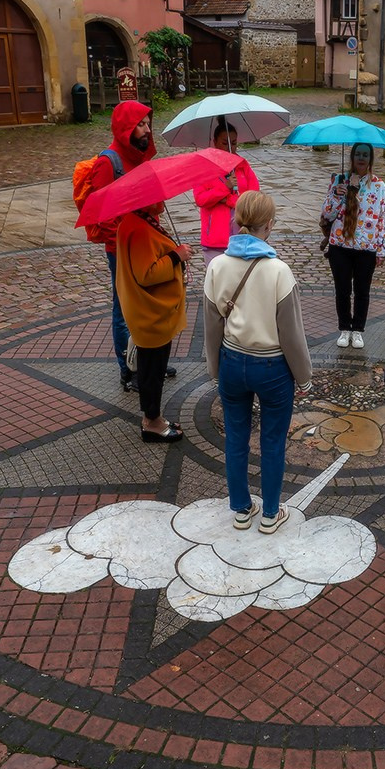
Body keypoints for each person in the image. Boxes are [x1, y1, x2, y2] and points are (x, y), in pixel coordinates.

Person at [204, 191, 312, 535]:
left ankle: (240, 508)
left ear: (237, 222)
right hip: (273, 368)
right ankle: (269, 513)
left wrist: (214, 369)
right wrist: (304, 377)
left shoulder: (217, 266)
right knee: (272, 440)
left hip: (233, 362)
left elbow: (211, 326)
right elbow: (291, 334)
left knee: (235, 437)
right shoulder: (279, 271)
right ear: (270, 225)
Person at [85, 100, 158, 392]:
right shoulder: (109, 162)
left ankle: (150, 362)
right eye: (140, 124)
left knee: (148, 306)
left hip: (145, 243)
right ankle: (128, 368)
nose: (147, 129)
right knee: (125, 308)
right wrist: (123, 247)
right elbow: (102, 216)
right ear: (126, 127)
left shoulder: (142, 157)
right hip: (121, 249)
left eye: (148, 123)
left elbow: (152, 205)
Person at [115, 202, 192, 443]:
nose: (165, 202)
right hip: (150, 313)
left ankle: (153, 418)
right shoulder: (139, 229)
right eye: (160, 198)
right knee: (152, 370)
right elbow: (146, 274)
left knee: (153, 367)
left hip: (149, 310)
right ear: (146, 200)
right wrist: (176, 255)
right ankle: (152, 422)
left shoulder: (139, 222)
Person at [322, 142, 385, 350]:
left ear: (371, 159)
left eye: (365, 155)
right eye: (358, 154)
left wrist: (382, 248)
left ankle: (358, 329)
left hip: (366, 247)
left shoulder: (378, 186)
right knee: (342, 289)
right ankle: (345, 328)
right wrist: (336, 194)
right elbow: (327, 214)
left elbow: (384, 217)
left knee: (362, 291)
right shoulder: (338, 180)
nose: (361, 158)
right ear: (352, 157)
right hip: (340, 245)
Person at [193, 119, 260, 266]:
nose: (230, 148)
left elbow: (253, 199)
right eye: (225, 143)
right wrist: (225, 188)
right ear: (215, 142)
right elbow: (200, 199)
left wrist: (227, 200)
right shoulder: (204, 168)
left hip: (242, 237)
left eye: (234, 143)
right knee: (216, 284)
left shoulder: (242, 166)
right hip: (215, 240)